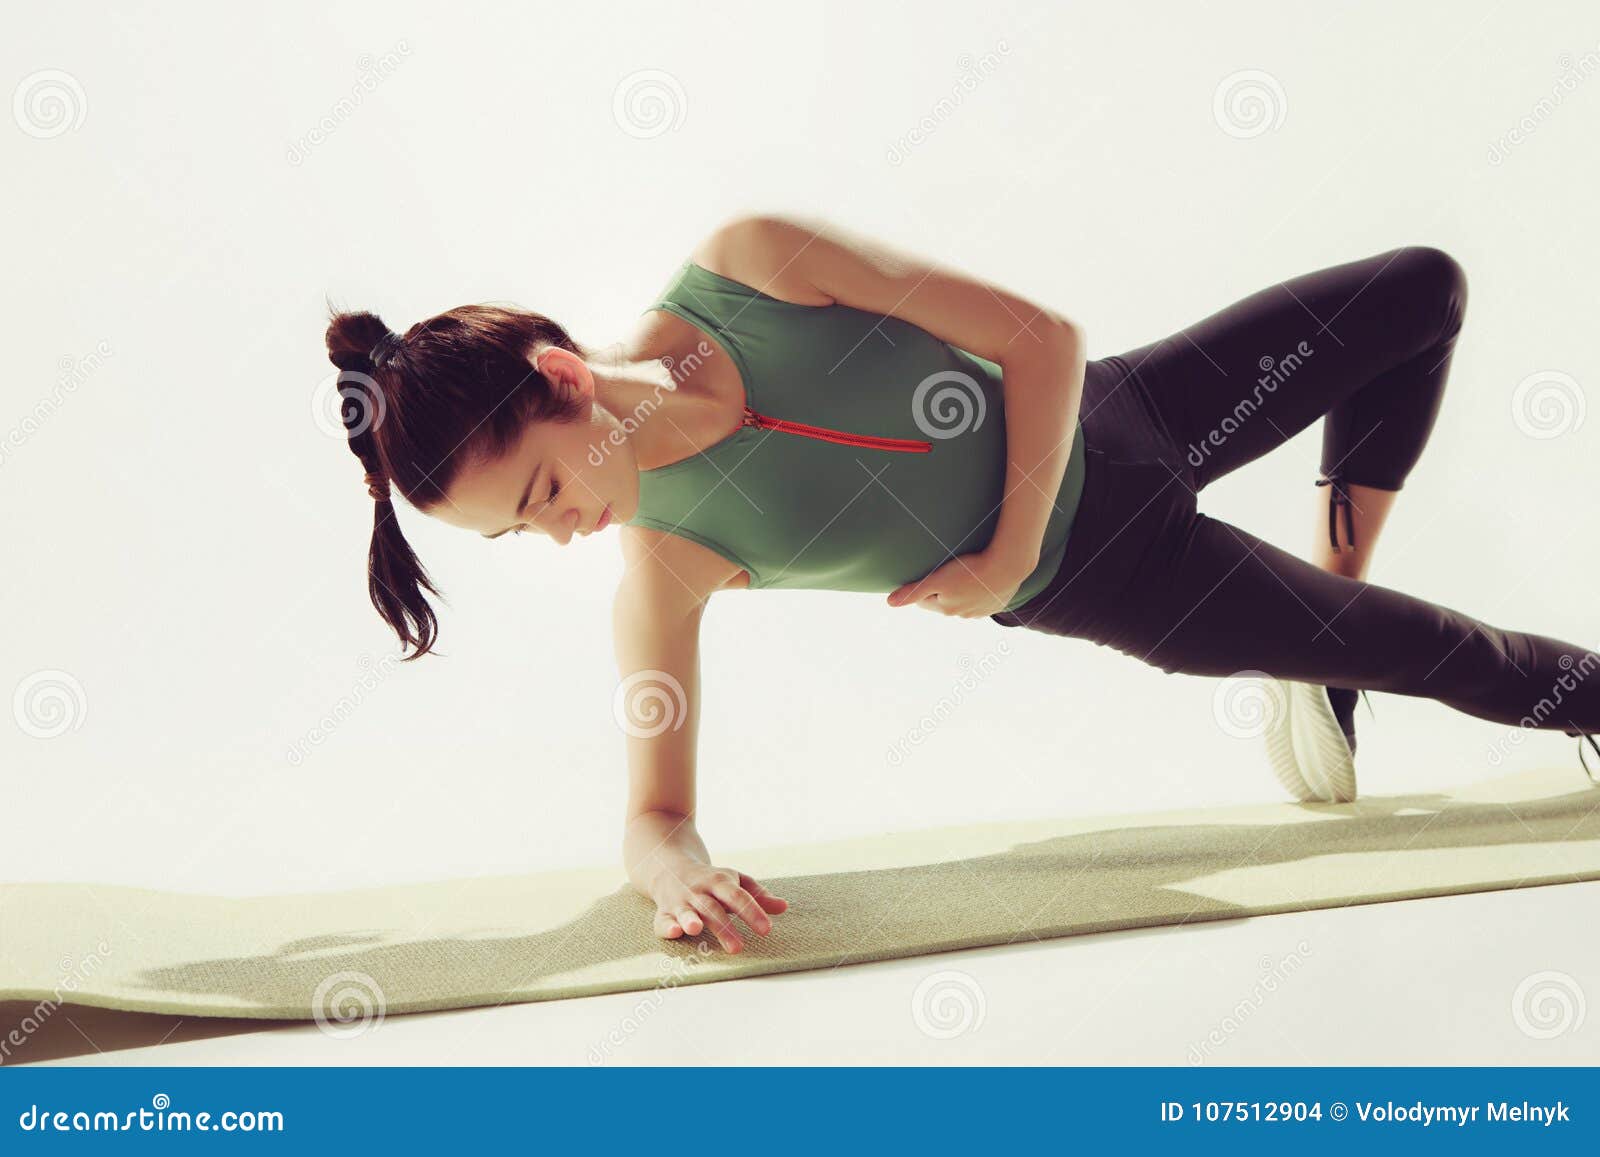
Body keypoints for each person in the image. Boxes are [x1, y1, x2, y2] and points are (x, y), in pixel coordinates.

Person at [323, 214, 1600, 955]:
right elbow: (654, 811)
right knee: (1485, 664)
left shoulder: (748, 265)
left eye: (545, 495)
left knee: (1421, 290)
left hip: (1129, 408)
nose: (560, 533)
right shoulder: (667, 562)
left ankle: (1328, 630)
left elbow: (1038, 339)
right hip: (1131, 575)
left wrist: (996, 551)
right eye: (523, 534)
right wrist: (671, 875)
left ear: (560, 378)